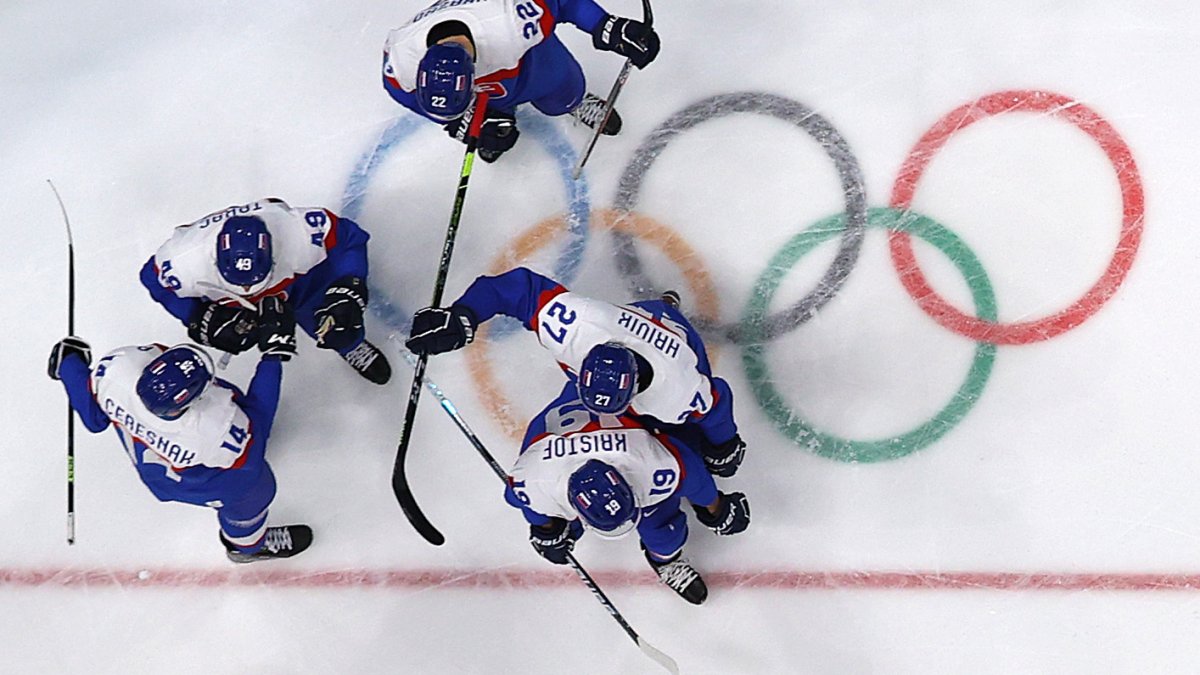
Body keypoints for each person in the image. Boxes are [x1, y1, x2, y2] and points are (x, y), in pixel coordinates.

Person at [405, 266, 746, 478]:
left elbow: (717, 402)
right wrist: (463, 316)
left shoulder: (680, 389)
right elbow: (516, 289)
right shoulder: (580, 326)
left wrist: (725, 443)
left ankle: (667, 310)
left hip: (680, 342)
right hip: (628, 323)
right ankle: (660, 308)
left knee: (675, 435)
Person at [46, 296, 311, 563]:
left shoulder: (119, 368)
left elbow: (94, 419)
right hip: (198, 479)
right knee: (254, 492)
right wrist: (273, 357)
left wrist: (68, 363)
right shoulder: (211, 430)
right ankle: (247, 547)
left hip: (157, 467)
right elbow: (258, 428)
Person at [504, 382, 750, 604]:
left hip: (621, 415)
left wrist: (716, 507)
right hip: (568, 425)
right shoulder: (534, 480)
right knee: (560, 523)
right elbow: (529, 505)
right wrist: (547, 531)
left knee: (663, 533)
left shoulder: (647, 460)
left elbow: (691, 472)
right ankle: (575, 528)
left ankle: (665, 559)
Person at [139, 197, 391, 385]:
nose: (249, 289)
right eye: (242, 285)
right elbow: (151, 278)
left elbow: (351, 238)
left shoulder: (299, 232)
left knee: (333, 320)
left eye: (254, 282)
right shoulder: (184, 262)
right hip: (234, 306)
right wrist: (197, 315)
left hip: (294, 281)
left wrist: (350, 285)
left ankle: (350, 346)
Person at [382, 0, 660, 162]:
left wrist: (605, 25)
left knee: (563, 92)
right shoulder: (401, 58)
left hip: (536, 66)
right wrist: (459, 121)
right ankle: (497, 117)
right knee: (493, 121)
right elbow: (401, 91)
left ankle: (574, 103)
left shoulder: (509, 19)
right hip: (488, 95)